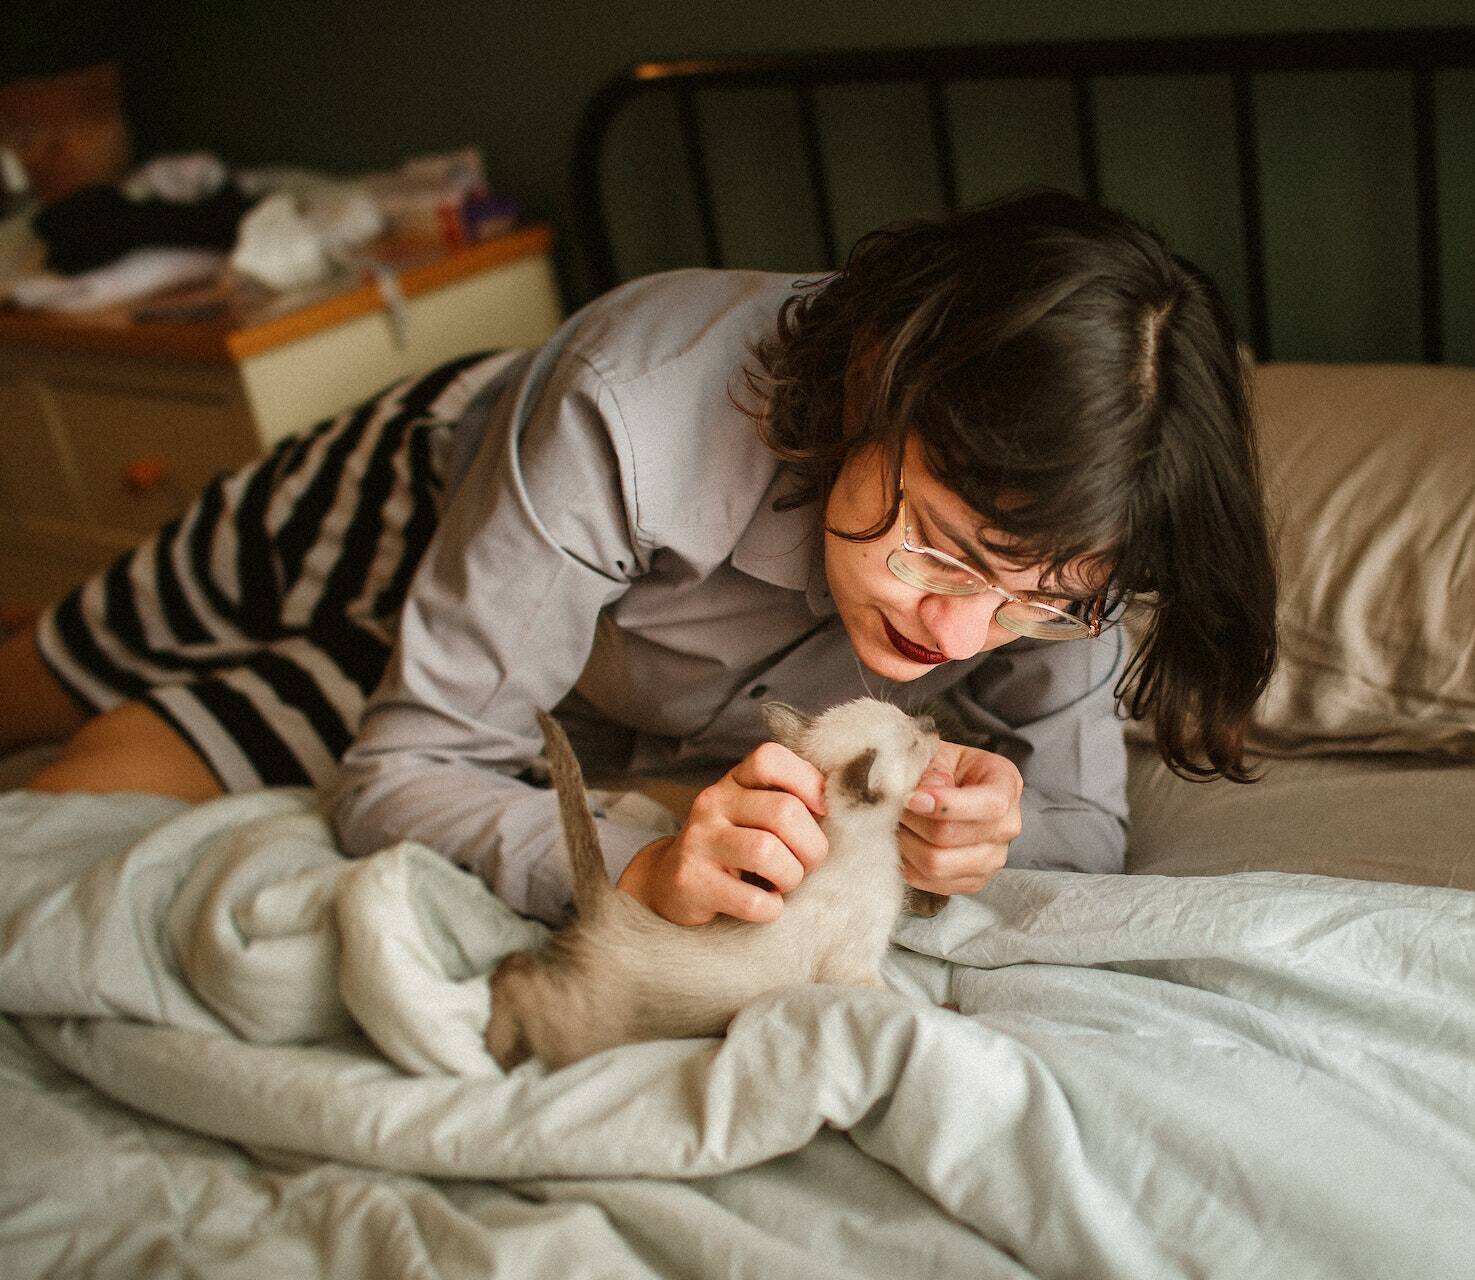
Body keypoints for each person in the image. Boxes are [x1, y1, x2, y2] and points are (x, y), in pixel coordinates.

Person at [0, 188, 1278, 927]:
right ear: (881, 376)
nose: (959, 638)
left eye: (1041, 602)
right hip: (393, 511)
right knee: (41, 681)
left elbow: (1078, 824)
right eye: (943, 550)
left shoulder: (1081, 525)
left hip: (576, 679)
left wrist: (986, 839)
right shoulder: (631, 406)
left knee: (93, 777)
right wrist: (635, 866)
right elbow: (409, 769)